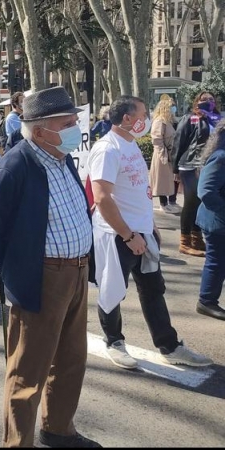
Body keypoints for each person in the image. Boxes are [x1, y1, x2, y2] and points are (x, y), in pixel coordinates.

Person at [0, 86, 99, 448]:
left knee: (71, 359)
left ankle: (59, 429)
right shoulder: (17, 165)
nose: (77, 127)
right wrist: (20, 268)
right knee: (28, 371)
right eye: (69, 122)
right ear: (41, 130)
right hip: (42, 278)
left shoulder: (63, 158)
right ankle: (17, 443)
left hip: (76, 273)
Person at [89, 95, 212, 370]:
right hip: (117, 235)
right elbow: (102, 198)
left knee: (153, 289)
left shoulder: (130, 145)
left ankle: (169, 345)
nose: (147, 120)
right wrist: (128, 236)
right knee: (112, 291)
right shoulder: (107, 149)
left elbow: (136, 191)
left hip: (142, 231)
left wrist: (149, 225)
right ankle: (114, 341)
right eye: (142, 114)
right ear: (127, 119)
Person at [174, 91, 218, 257]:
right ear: (197, 102)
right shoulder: (190, 118)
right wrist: (175, 169)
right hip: (191, 165)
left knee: (201, 202)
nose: (208, 101)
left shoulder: (216, 119)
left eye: (211, 99)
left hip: (209, 166)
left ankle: (197, 238)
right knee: (191, 202)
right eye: (204, 99)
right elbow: (179, 142)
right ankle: (184, 241)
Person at [195, 120, 225, 320]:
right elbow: (205, 191)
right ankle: (206, 301)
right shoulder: (221, 157)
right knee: (216, 262)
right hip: (217, 222)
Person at [149, 97, 181, 214]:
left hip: (172, 154)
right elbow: (157, 140)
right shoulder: (159, 121)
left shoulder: (171, 121)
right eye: (171, 106)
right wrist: (164, 156)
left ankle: (171, 201)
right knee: (162, 180)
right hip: (163, 155)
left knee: (172, 179)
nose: (173, 108)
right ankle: (163, 203)